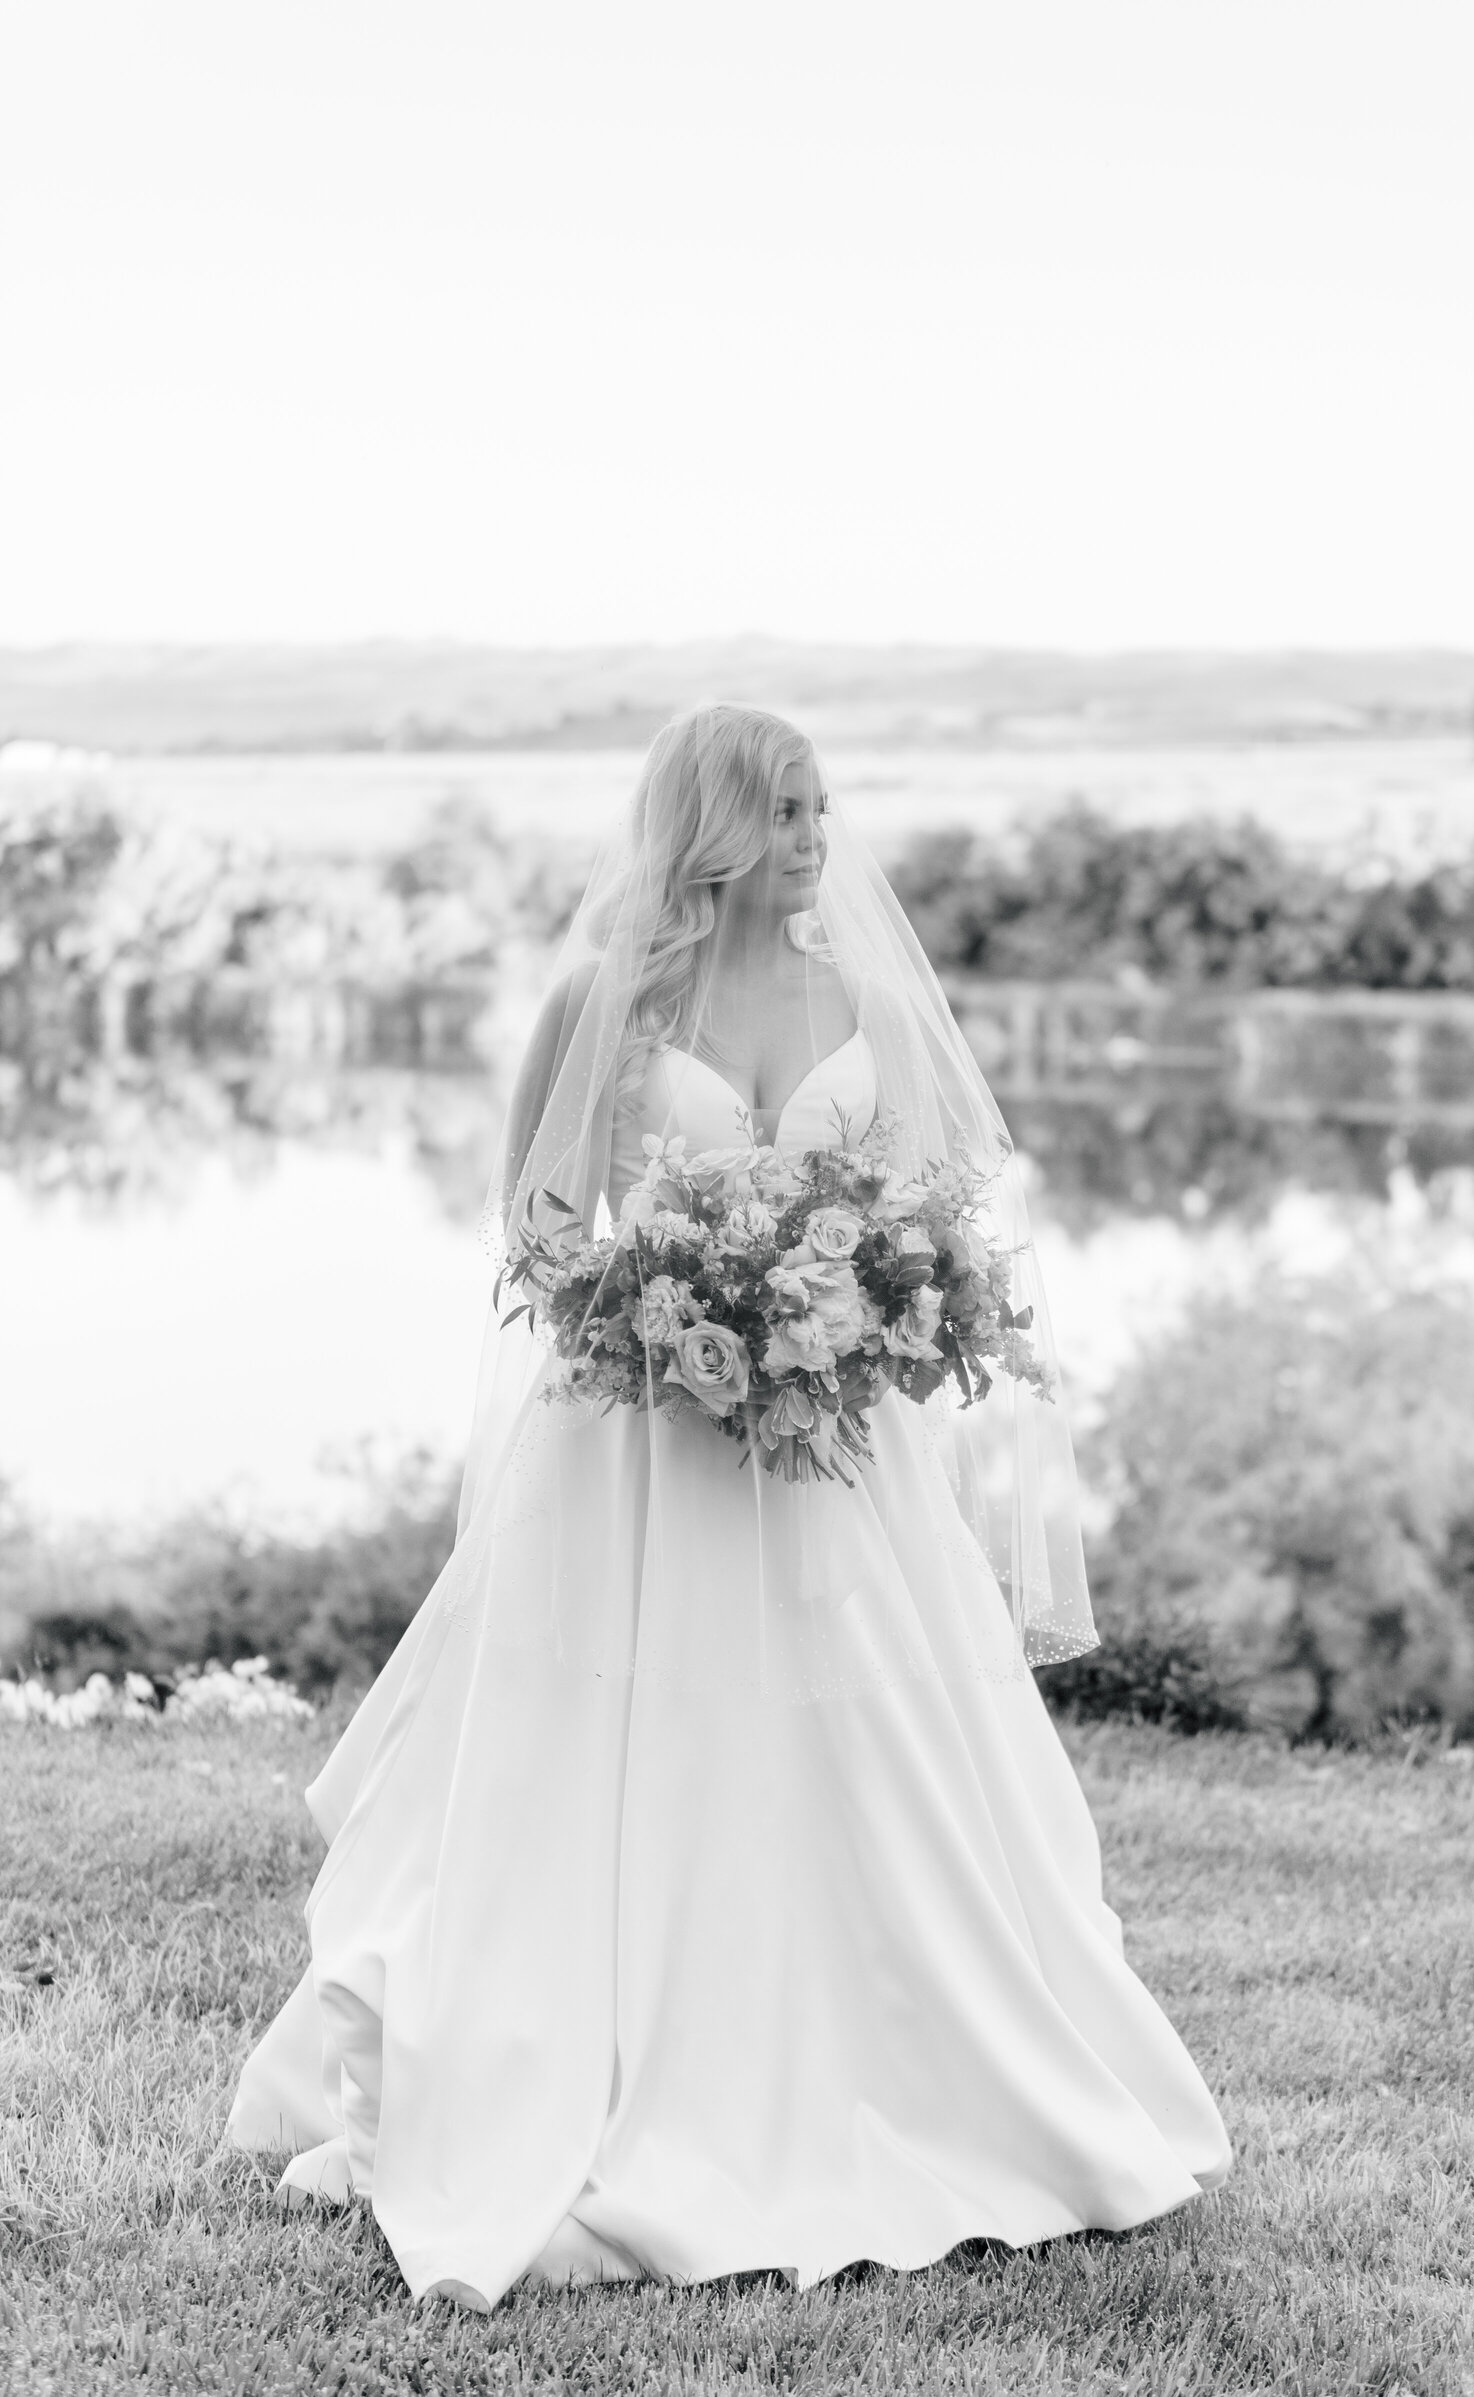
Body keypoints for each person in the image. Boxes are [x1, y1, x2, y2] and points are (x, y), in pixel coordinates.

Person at [229, 702, 1230, 2310]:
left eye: (824, 806)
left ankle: (917, 2067)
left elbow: (940, 1206)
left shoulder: (864, 993)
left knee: (877, 1750)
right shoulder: (605, 999)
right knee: (649, 1742)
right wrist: (667, 1307)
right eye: (782, 811)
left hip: (839, 1457)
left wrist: (881, 1303)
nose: (816, 836)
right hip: (644, 1448)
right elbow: (536, 1227)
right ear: (709, 828)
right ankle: (622, 2069)